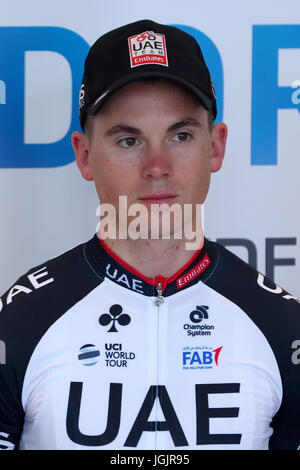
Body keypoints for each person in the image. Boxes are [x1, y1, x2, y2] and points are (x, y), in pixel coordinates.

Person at [0, 19, 300, 451]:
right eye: (128, 141)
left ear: (215, 148)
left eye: (180, 135)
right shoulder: (21, 322)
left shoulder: (280, 325)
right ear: (85, 156)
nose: (157, 166)